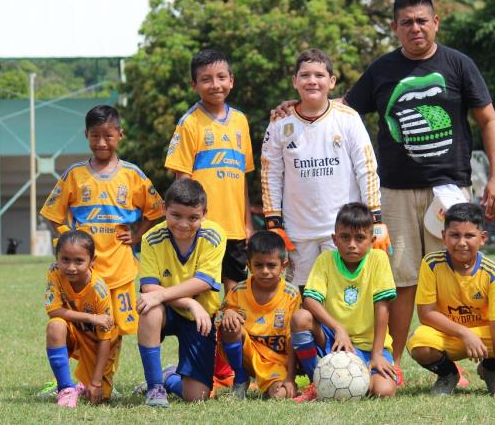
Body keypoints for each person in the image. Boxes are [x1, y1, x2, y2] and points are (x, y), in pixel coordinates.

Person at [272, 0, 495, 365]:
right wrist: (299, 106)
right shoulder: (382, 69)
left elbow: (489, 119)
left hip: (449, 190)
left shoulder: (459, 64)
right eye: (407, 22)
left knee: (451, 277)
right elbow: (340, 108)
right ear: (395, 28)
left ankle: (455, 364)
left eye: (422, 21)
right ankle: (391, 361)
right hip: (393, 192)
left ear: (436, 23)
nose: (416, 28)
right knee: (400, 282)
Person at [40, 105, 165, 374]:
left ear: (120, 135)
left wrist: (136, 234)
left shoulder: (132, 174)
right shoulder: (74, 174)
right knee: (81, 326)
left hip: (119, 269)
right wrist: (70, 240)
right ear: (86, 135)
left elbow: (157, 210)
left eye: (108, 136)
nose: (101, 142)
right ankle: (77, 377)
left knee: (115, 327)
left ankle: (102, 379)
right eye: (95, 136)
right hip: (82, 273)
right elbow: (53, 214)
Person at [261, 49, 389, 289]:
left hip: (343, 229)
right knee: (304, 295)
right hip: (298, 229)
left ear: (331, 82)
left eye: (319, 75)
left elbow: (367, 168)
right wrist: (273, 223)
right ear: (295, 82)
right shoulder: (280, 123)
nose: (312, 81)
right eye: (305, 75)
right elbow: (270, 175)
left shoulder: (348, 118)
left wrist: (376, 218)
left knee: (345, 293)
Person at [407, 203, 495, 397]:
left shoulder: (493, 273)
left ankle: (490, 368)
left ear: (482, 239)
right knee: (419, 342)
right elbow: (426, 314)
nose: (461, 242)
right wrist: (464, 333)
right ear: (443, 237)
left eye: (469, 236)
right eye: (455, 235)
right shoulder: (431, 264)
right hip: (451, 335)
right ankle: (448, 374)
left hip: (484, 338)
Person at [164, 49, 254, 292]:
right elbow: (182, 182)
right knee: (204, 293)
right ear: (195, 85)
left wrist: (247, 224)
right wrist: (189, 221)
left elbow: (242, 179)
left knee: (235, 295)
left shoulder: (241, 121)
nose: (215, 85)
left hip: (235, 228)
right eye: (206, 79)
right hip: (202, 227)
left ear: (231, 80)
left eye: (221, 77)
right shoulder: (189, 123)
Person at [290, 202, 399, 401]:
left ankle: (370, 370)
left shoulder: (378, 259)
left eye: (360, 238)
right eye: (345, 237)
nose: (352, 244)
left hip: (369, 347)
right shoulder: (326, 260)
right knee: (300, 318)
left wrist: (377, 355)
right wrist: (338, 328)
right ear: (334, 239)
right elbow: (310, 301)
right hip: (335, 341)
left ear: (372, 240)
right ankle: (318, 382)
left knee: (384, 391)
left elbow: (383, 309)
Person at [136, 178, 225, 406]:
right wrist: (190, 303)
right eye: (176, 215)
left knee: (197, 396)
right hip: (173, 312)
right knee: (150, 309)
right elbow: (149, 288)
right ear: (164, 209)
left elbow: (203, 282)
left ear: (204, 213)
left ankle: (168, 377)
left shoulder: (215, 235)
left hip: (201, 319)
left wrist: (165, 295)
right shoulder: (151, 239)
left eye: (193, 217)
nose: (184, 224)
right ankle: (155, 386)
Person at [219, 231, 301, 399]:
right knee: (230, 324)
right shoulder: (238, 291)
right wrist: (227, 313)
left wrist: (290, 378)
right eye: (258, 265)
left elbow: (294, 339)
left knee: (280, 396)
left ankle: (275, 383)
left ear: (283, 265)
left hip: (276, 362)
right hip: (246, 358)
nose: (265, 271)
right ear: (249, 265)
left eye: (271, 265)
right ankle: (240, 379)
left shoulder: (291, 294)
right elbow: (218, 319)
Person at [44, 230, 117, 407]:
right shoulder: (54, 274)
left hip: (94, 340)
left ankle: (85, 382)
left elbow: (105, 339)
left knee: (101, 397)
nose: (71, 267)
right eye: (65, 260)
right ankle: (66, 389)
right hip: (72, 332)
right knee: (55, 326)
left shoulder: (99, 290)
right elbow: (54, 311)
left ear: (92, 261)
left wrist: (97, 382)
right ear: (57, 258)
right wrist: (92, 318)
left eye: (79, 261)